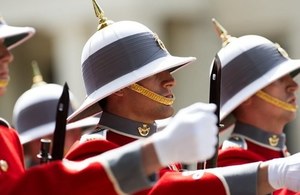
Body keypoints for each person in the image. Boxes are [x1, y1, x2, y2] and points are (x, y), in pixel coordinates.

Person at [2, 14, 295, 195]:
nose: (170, 81)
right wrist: (270, 174)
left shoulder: (157, 144)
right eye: (154, 73)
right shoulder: (94, 150)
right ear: (118, 89)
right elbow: (165, 192)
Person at [212, 20, 300, 194]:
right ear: (246, 97)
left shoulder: (278, 153)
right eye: (278, 78)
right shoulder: (232, 161)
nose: (293, 85)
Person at [12, 66, 99, 167]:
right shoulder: (24, 182)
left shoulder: (97, 169)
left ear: (77, 132)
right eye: (40, 140)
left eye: (58, 135)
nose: (52, 144)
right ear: (27, 149)